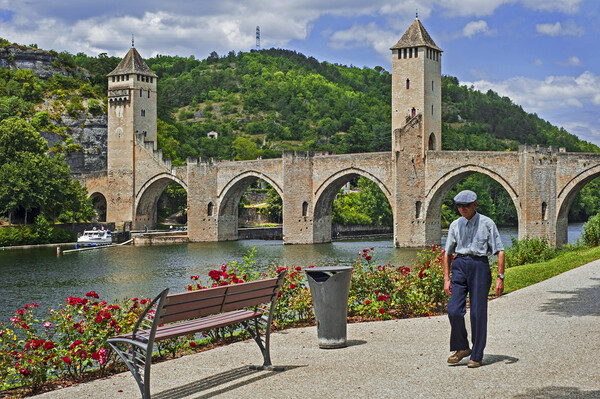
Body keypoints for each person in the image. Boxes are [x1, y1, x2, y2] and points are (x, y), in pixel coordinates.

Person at [443, 190, 505, 368]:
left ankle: (476, 355)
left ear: (475, 205)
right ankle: (462, 347)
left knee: (478, 313)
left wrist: (500, 277)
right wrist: (446, 278)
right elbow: (447, 253)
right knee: (454, 309)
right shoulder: (455, 225)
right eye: (459, 206)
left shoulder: (487, 223)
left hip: (479, 266)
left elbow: (499, 250)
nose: (462, 209)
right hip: (460, 265)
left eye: (466, 206)